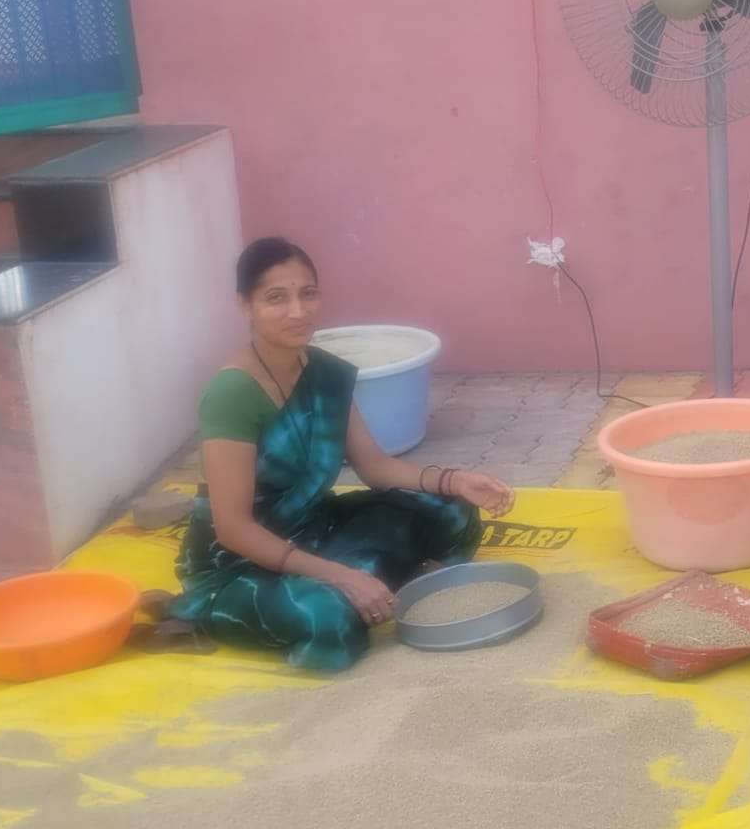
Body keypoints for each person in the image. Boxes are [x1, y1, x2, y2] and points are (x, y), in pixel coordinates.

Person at [164, 237, 514, 671]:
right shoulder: (231, 393)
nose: (298, 311)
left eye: (307, 293)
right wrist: (341, 575)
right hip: (237, 564)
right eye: (276, 298)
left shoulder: (324, 372)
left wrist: (456, 480)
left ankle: (367, 584)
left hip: (314, 526)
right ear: (245, 305)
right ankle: (222, 612)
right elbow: (233, 529)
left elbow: (375, 466)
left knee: (452, 511)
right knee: (330, 620)